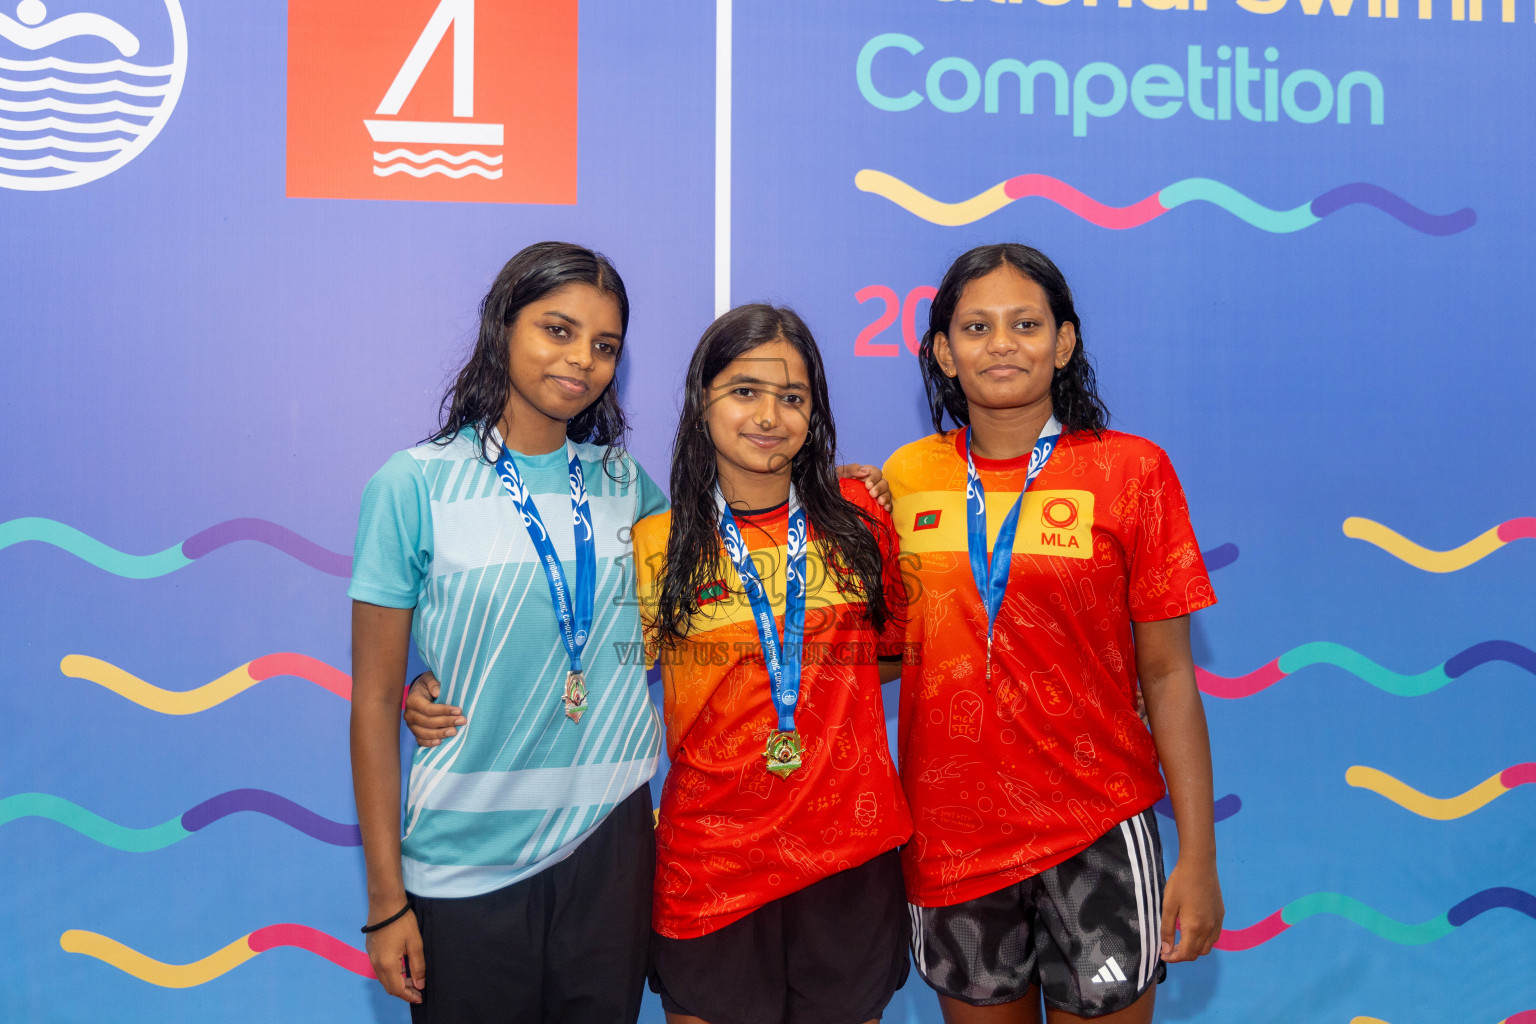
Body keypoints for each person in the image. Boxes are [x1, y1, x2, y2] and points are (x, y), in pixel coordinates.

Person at [882, 243, 1224, 1024]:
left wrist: (1199, 858)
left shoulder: (1134, 472)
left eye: (1025, 323)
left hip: (1095, 830)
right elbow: (888, 653)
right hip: (951, 840)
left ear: (1064, 342)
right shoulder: (903, 479)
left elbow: (1170, 675)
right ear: (942, 350)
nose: (1001, 343)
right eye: (976, 326)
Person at [349, 241, 668, 1023]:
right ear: (503, 328)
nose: (581, 360)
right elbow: (373, 700)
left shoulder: (628, 486)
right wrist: (386, 903)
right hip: (465, 859)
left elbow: (730, 581)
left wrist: (834, 490)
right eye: (557, 331)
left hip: (611, 843)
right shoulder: (414, 483)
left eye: (604, 346)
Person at [635, 304, 913, 1024]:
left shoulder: (860, 518)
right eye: (745, 391)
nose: (769, 415)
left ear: (814, 412)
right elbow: (587, 678)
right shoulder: (654, 544)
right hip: (710, 859)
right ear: (703, 400)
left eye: (792, 398)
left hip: (847, 858)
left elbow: (882, 660)